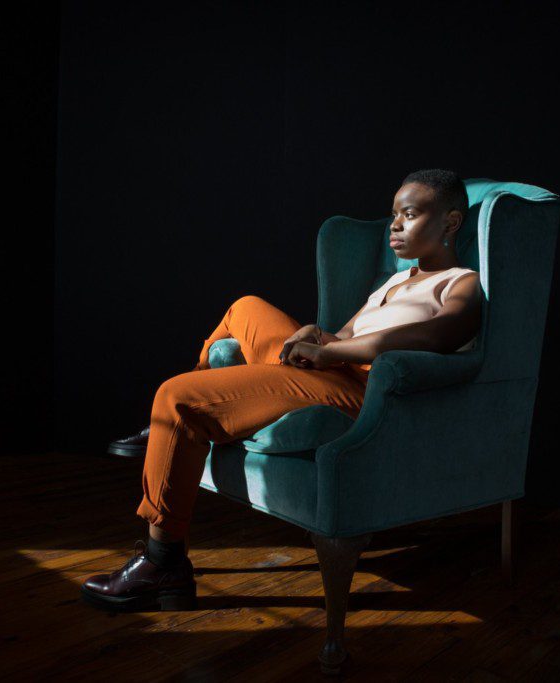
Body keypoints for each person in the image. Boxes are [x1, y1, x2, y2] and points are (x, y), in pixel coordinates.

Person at [81, 169, 483, 612]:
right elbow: (342, 335)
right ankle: (175, 429)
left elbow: (437, 336)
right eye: (393, 215)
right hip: (333, 371)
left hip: (366, 393)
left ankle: (164, 562)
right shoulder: (393, 283)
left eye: (409, 214)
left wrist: (330, 352)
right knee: (245, 307)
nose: (395, 225)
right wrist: (316, 334)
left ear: (450, 222)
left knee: (175, 397)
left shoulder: (462, 282)